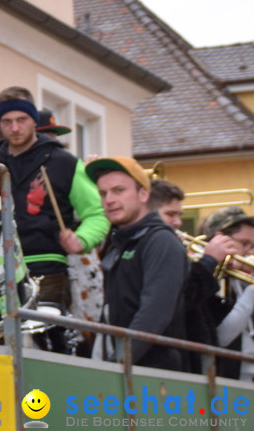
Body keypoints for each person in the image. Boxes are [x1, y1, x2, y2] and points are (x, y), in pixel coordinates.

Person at [0, 87, 108, 354]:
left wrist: (82, 239)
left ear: (34, 121)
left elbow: (96, 213)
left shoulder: (65, 162)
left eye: (22, 120)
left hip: (48, 266)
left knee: (43, 345)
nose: (15, 128)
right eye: (7, 122)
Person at [88, 155, 189, 370]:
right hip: (128, 371)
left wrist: (119, 363)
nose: (109, 200)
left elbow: (154, 315)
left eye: (119, 190)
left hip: (156, 376)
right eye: (103, 193)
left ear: (143, 194)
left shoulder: (161, 241)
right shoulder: (120, 240)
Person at [200, 207, 254, 380]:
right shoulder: (208, 280)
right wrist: (252, 293)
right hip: (228, 383)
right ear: (220, 241)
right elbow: (221, 338)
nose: (251, 252)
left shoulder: (241, 281)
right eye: (245, 244)